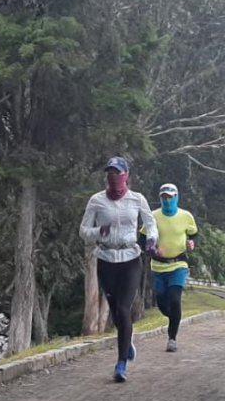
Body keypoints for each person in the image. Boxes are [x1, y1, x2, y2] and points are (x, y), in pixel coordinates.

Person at [79, 156, 158, 382]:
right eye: (110, 173)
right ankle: (127, 337)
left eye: (117, 173)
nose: (113, 177)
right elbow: (83, 231)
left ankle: (121, 364)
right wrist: (98, 232)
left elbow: (151, 224)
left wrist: (151, 239)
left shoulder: (137, 199)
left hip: (130, 258)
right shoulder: (96, 200)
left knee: (123, 309)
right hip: (106, 259)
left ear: (126, 175)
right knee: (115, 310)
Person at [143, 183, 198, 352]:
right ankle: (175, 316)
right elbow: (142, 238)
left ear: (176, 197)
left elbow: (194, 234)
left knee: (175, 299)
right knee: (163, 305)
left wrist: (192, 243)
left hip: (178, 264)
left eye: (170, 197)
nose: (167, 201)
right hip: (158, 266)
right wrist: (151, 248)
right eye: (164, 197)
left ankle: (172, 338)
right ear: (160, 198)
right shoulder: (153, 216)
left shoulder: (185, 216)